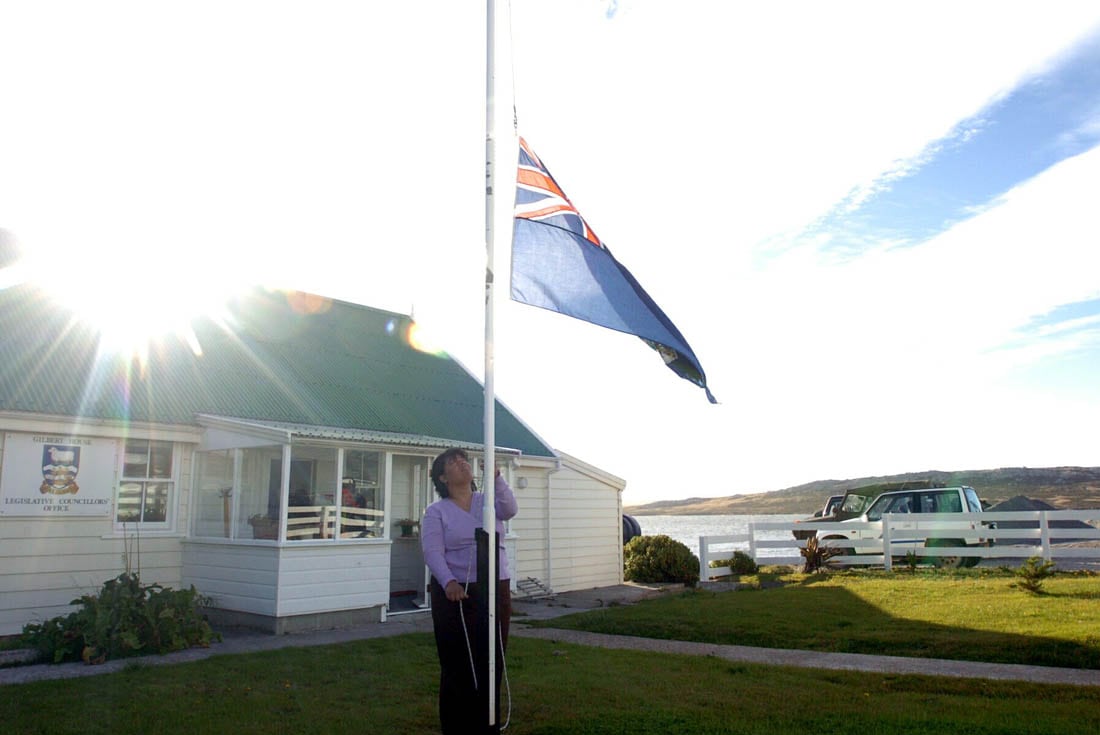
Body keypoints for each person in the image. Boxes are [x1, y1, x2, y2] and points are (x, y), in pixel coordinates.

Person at [421, 448, 518, 734]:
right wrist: (448, 582)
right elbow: (433, 550)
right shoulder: (436, 511)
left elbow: (510, 509)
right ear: (442, 477)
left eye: (463, 459)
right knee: (457, 662)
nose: (462, 463)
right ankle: (456, 726)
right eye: (453, 462)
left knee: (492, 658)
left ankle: (486, 722)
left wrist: (497, 477)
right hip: (456, 592)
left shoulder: (487, 502)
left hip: (494, 586)